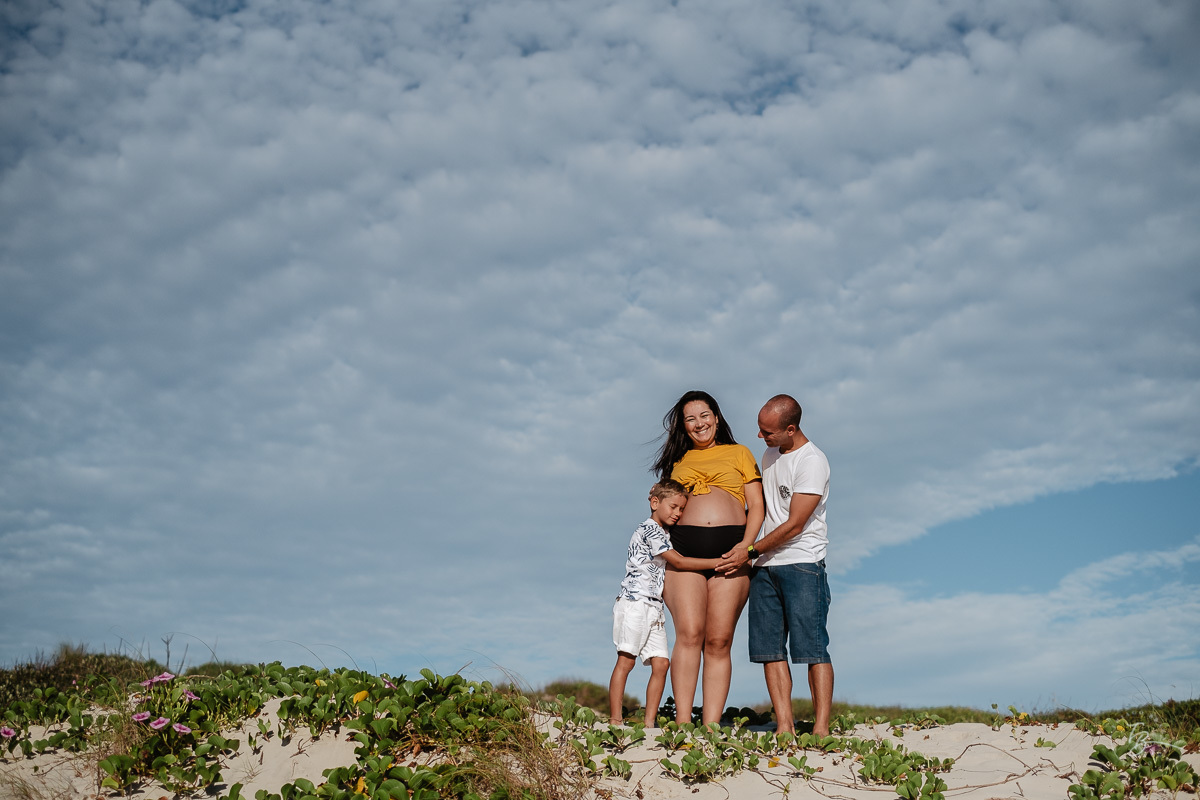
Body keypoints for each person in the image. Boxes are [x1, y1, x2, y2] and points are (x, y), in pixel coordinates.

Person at [717, 393, 833, 735]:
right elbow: (762, 509)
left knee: (813, 648)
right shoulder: (770, 454)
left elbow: (795, 524)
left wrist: (749, 551)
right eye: (760, 429)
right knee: (769, 651)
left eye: (767, 432)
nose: (760, 437)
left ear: (791, 429)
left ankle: (822, 727)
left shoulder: (813, 461)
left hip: (802, 563)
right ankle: (784, 725)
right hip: (764, 567)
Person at [653, 390, 764, 724]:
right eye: (691, 419)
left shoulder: (740, 453)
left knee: (718, 640)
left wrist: (747, 548)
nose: (699, 423)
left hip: (732, 556)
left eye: (704, 415)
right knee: (689, 634)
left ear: (716, 417)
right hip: (684, 556)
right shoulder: (678, 462)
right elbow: (664, 509)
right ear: (683, 426)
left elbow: (757, 506)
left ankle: (711, 726)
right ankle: (684, 724)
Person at [609, 479, 723, 726]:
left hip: (654, 607)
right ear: (654, 502)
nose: (677, 514)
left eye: (681, 509)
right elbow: (679, 562)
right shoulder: (649, 530)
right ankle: (615, 719)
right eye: (673, 507)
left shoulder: (665, 533)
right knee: (626, 660)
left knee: (661, 664)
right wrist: (717, 562)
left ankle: (649, 723)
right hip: (635, 602)